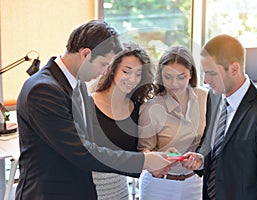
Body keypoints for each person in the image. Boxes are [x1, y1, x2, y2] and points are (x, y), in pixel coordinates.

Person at [15, 20, 172, 200]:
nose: (106, 71)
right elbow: (81, 151)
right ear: (85, 54)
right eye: (104, 64)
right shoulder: (43, 90)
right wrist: (145, 162)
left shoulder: (78, 84)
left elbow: (92, 141)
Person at [182, 34, 257, 200]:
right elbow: (221, 152)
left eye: (211, 73)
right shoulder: (215, 97)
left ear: (234, 69)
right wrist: (203, 161)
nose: (205, 80)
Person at [137, 45, 208, 200]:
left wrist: (199, 157)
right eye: (168, 77)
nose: (174, 84)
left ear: (190, 73)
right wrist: (164, 155)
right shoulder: (151, 108)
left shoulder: (205, 98)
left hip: (195, 183)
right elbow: (144, 152)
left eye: (181, 77)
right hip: (159, 185)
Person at [91, 42, 155, 200]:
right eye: (126, 72)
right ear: (112, 71)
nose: (132, 79)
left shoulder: (138, 108)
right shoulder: (87, 104)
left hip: (119, 191)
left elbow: (137, 151)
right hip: (87, 190)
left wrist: (158, 156)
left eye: (138, 74)